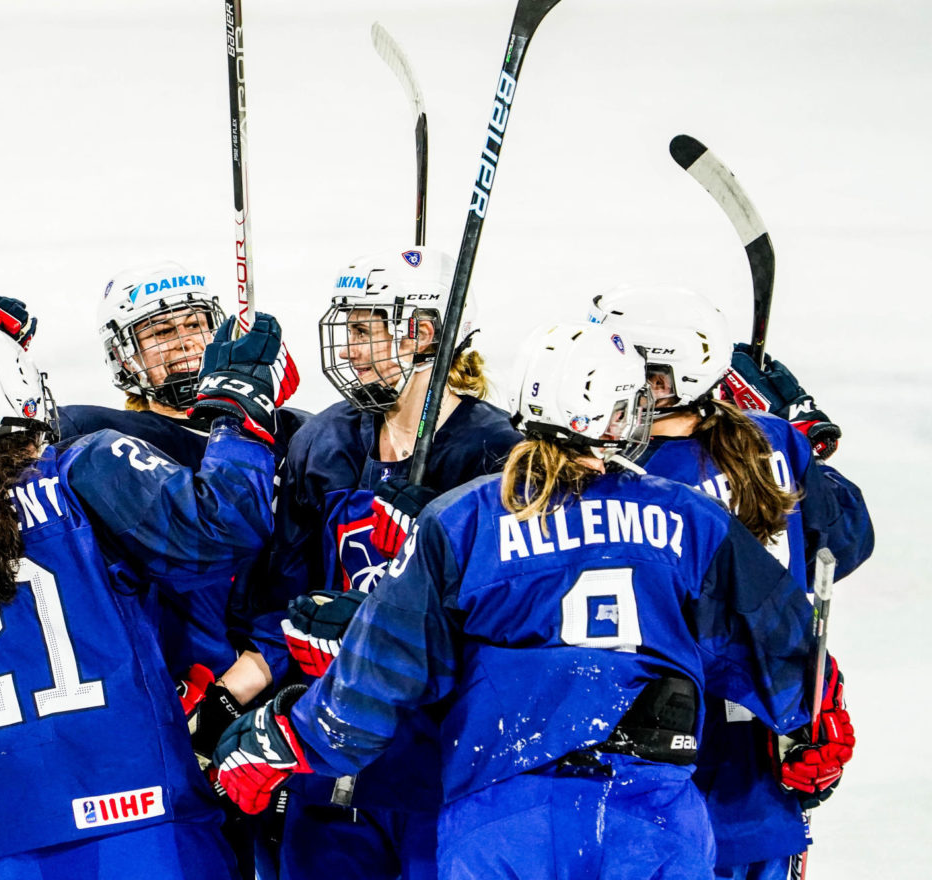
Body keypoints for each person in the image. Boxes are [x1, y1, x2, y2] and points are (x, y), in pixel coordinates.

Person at [213, 321, 827, 880]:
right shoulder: (688, 517)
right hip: (649, 817)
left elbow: (383, 674)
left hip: (503, 818)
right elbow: (785, 654)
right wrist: (815, 727)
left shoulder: (463, 519)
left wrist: (286, 739)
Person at [0, 309, 296, 878]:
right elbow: (225, 525)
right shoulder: (86, 469)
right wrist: (241, 414)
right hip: (145, 819)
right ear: (38, 399)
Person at [243, 246, 522, 880]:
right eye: (352, 330)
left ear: (425, 333)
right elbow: (287, 598)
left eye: (368, 330)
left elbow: (512, 627)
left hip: (448, 762)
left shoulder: (499, 454)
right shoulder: (325, 440)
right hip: (333, 750)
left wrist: (437, 545)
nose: (351, 349)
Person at [588, 285, 872, 880]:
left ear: (660, 378)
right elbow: (848, 539)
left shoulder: (618, 479)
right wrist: (800, 435)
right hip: (765, 765)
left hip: (651, 778)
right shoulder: (774, 443)